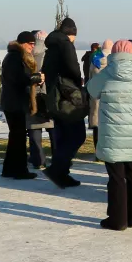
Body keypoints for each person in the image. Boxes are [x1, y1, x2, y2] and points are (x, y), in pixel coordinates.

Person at [87, 40, 132, 231]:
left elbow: (91, 90)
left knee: (116, 177)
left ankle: (118, 220)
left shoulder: (106, 74)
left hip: (112, 135)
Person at [42, 18, 88, 188]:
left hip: (54, 96)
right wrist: (77, 82)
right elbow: (73, 68)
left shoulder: (51, 47)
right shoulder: (66, 44)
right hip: (68, 97)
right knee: (77, 135)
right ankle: (57, 170)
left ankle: (61, 173)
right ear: (72, 33)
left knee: (63, 135)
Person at [0, 31, 44, 180]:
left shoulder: (15, 56)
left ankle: (9, 169)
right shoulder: (14, 57)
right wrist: (36, 77)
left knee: (15, 136)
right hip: (14, 102)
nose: (32, 46)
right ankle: (20, 170)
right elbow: (18, 79)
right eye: (30, 44)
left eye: (33, 44)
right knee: (18, 138)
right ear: (22, 43)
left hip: (14, 101)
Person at [27, 30, 54, 170]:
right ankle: (58, 158)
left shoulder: (27, 55)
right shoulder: (50, 54)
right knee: (53, 130)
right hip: (48, 96)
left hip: (31, 96)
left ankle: (38, 160)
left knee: (34, 129)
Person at [88, 40, 113, 160]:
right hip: (110, 98)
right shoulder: (114, 61)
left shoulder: (94, 60)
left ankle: (97, 153)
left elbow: (90, 79)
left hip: (96, 96)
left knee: (97, 125)